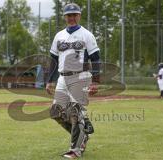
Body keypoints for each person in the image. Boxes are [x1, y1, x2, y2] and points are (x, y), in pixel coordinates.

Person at [46, 3, 100, 159]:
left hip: (80, 76)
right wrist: (50, 80)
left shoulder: (87, 35)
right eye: (69, 15)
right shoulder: (59, 36)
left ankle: (76, 149)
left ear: (79, 16)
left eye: (74, 15)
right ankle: (83, 133)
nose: (71, 18)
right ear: (65, 17)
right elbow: (54, 60)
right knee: (56, 112)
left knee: (75, 112)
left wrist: (95, 81)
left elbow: (96, 59)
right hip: (63, 77)